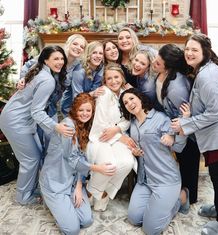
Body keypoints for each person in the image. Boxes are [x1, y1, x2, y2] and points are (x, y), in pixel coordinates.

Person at [171, 33, 218, 235]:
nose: (189, 53)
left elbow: (215, 112)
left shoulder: (208, 76)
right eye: (187, 49)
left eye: (194, 50)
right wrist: (191, 115)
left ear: (205, 52)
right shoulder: (205, 70)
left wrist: (187, 123)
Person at [0, 46, 74, 205]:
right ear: (46, 60)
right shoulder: (47, 80)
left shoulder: (41, 72)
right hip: (16, 121)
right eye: (56, 59)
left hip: (17, 118)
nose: (60, 62)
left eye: (62, 59)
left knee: (37, 153)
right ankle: (23, 197)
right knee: (31, 159)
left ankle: (31, 188)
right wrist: (56, 126)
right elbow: (37, 112)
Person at [39, 93, 116, 235]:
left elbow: (82, 158)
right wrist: (98, 168)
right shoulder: (68, 126)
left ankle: (65, 205)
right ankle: (52, 202)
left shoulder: (85, 128)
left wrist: (79, 186)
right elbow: (72, 158)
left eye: (88, 110)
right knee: (72, 230)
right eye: (81, 110)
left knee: (87, 221)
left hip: (72, 181)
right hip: (55, 182)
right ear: (75, 110)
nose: (85, 114)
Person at [119, 88, 189, 235]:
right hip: (144, 180)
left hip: (165, 180)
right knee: (134, 218)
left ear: (140, 98)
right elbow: (132, 143)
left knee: (151, 229)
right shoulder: (131, 124)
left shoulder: (160, 118)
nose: (130, 103)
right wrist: (134, 151)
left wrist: (173, 138)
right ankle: (157, 204)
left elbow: (179, 147)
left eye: (132, 99)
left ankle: (181, 198)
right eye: (125, 103)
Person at [152, 44, 201, 204]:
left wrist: (173, 135)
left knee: (188, 165)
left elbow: (184, 115)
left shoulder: (176, 88)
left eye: (158, 63)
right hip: (173, 125)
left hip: (187, 132)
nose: (154, 62)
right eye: (156, 57)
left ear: (168, 67)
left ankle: (189, 198)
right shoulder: (162, 74)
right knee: (182, 164)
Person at [86, 63, 136, 212]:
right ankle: (93, 191)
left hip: (117, 134)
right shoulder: (104, 94)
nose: (113, 81)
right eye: (109, 78)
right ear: (105, 81)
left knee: (127, 162)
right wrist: (119, 136)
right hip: (100, 137)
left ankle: (101, 191)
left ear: (122, 77)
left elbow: (128, 118)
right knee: (110, 165)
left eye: (116, 77)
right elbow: (101, 124)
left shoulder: (124, 93)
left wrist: (118, 129)